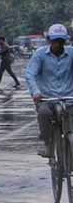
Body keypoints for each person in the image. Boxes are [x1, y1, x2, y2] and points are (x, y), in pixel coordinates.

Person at [26, 24, 73, 157]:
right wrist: (36, 92)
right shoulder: (40, 54)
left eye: (61, 41)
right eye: (55, 41)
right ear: (49, 41)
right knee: (44, 113)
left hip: (69, 98)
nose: (58, 44)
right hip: (46, 98)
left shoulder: (71, 53)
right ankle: (45, 142)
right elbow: (30, 74)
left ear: (65, 41)